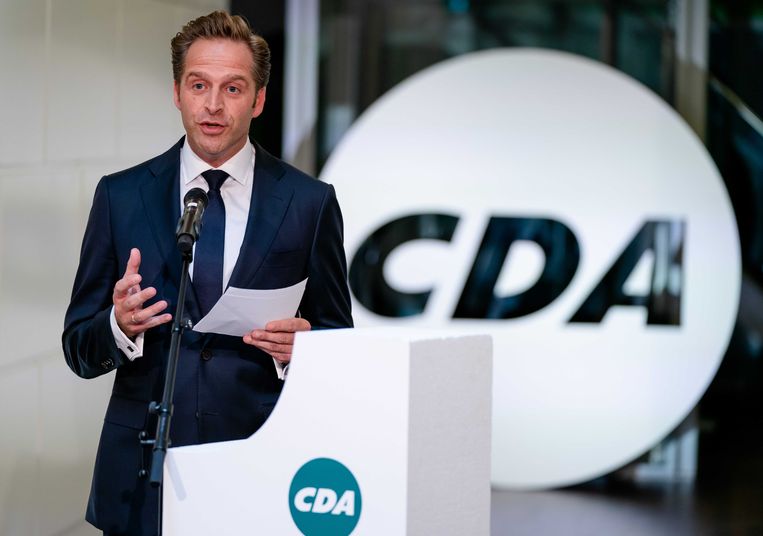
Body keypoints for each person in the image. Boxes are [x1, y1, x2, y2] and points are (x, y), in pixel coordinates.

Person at [62, 11, 353, 536]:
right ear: (177, 92)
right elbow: (78, 347)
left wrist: (308, 349)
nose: (213, 105)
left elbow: (340, 340)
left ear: (258, 100)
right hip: (141, 478)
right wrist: (118, 326)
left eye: (232, 88)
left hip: (261, 468)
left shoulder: (309, 203)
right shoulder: (120, 196)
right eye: (199, 85)